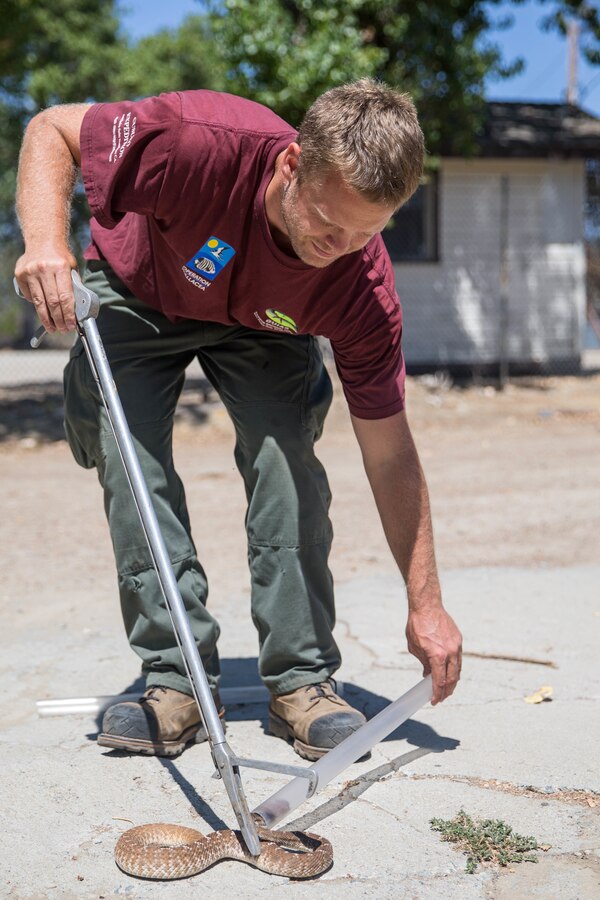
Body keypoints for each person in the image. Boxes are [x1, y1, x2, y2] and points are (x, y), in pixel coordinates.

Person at [15, 79, 462, 761]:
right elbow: (52, 128)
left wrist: (425, 603)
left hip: (265, 322)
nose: (337, 246)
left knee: (287, 460)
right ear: (289, 166)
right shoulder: (197, 143)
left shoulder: (358, 286)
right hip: (142, 287)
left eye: (364, 231)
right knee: (126, 454)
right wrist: (45, 242)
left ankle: (303, 682)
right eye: (324, 220)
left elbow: (390, 453)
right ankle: (178, 680)